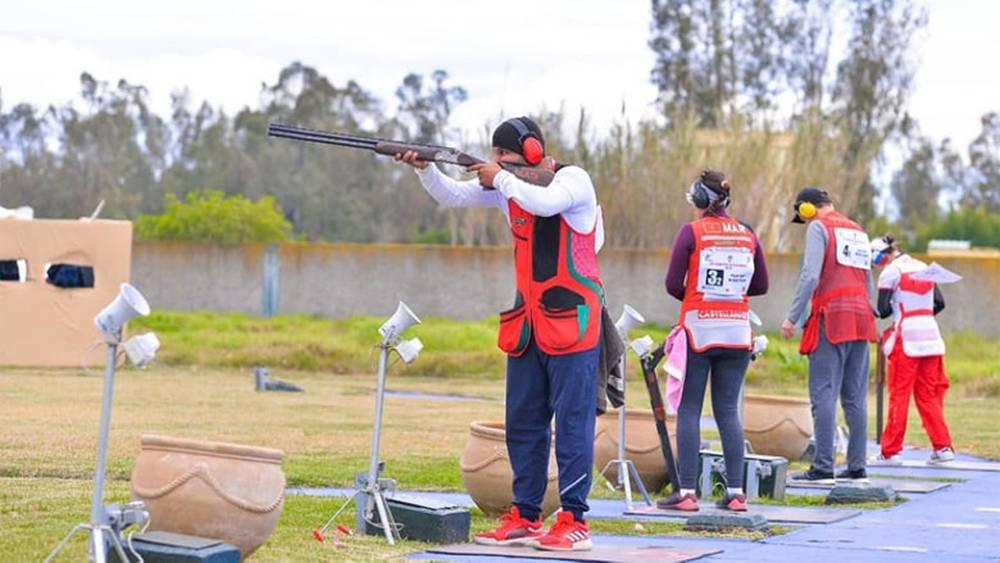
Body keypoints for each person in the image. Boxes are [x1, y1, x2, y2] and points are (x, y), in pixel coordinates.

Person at [395, 116, 603, 552]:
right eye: (494, 157)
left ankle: (574, 519)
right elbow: (453, 195)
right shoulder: (512, 188)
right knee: (523, 423)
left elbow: (545, 204)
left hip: (573, 323)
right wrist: (425, 169)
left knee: (572, 425)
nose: (496, 163)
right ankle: (526, 515)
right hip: (528, 324)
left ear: (531, 153)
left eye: (503, 155)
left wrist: (502, 178)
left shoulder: (573, 180)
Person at [657, 170, 769, 512]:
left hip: (699, 330)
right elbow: (761, 285)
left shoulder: (691, 232)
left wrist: (697, 296)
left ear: (701, 199)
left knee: (689, 408)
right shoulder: (747, 233)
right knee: (728, 411)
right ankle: (735, 492)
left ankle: (687, 492)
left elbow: (672, 283)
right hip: (737, 332)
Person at [781, 188, 876, 483]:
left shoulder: (819, 228)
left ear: (807, 209)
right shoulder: (858, 231)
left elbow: (810, 274)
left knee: (823, 393)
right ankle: (857, 467)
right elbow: (868, 278)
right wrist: (869, 310)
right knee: (855, 397)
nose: (805, 222)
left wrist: (792, 317)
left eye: (804, 215)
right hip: (861, 318)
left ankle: (823, 467)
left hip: (832, 317)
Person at [870, 235, 955, 464]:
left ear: (881, 256)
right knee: (928, 395)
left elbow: (883, 311)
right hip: (931, 337)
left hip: (906, 338)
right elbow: (940, 303)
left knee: (899, 395)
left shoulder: (890, 272)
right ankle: (943, 448)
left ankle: (890, 452)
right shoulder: (923, 266)